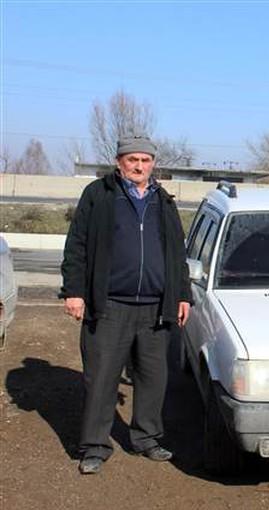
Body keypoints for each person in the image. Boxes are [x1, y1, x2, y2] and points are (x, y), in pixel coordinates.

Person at [60, 135, 192, 474]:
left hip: (155, 308)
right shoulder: (99, 195)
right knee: (101, 378)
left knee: (152, 378)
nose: (139, 166)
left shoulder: (163, 200)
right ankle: (94, 446)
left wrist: (182, 295)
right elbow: (77, 245)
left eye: (145, 160)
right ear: (119, 162)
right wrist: (74, 291)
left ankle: (146, 438)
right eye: (132, 159)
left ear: (153, 164)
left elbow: (177, 253)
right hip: (109, 306)